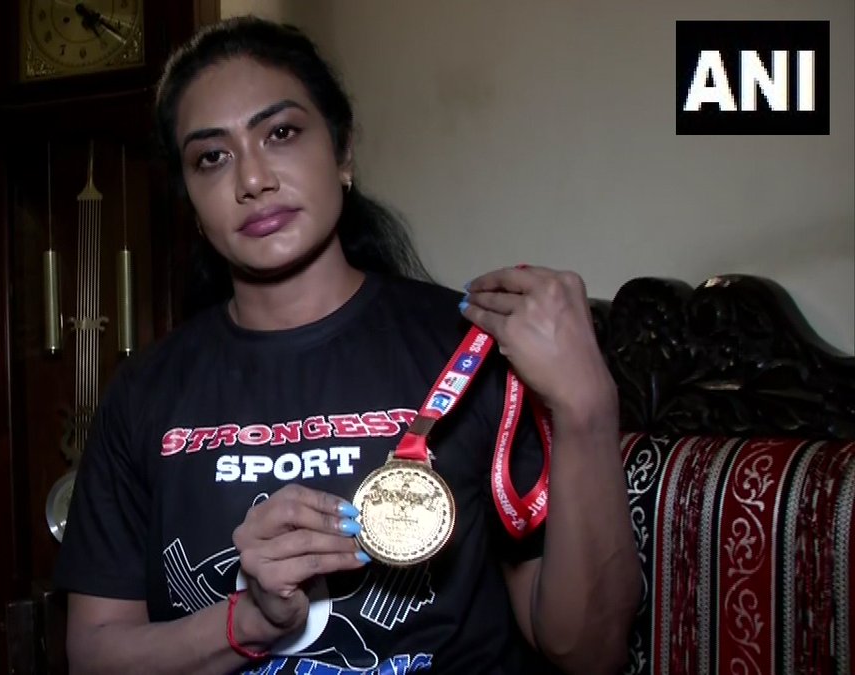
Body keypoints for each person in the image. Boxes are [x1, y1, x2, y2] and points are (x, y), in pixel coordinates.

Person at [54, 16, 640, 675]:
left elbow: (589, 651)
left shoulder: (470, 351)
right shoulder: (145, 392)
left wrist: (588, 409)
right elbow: (96, 654)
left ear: (342, 151)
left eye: (281, 133)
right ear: (190, 200)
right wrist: (251, 621)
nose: (252, 179)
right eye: (210, 157)